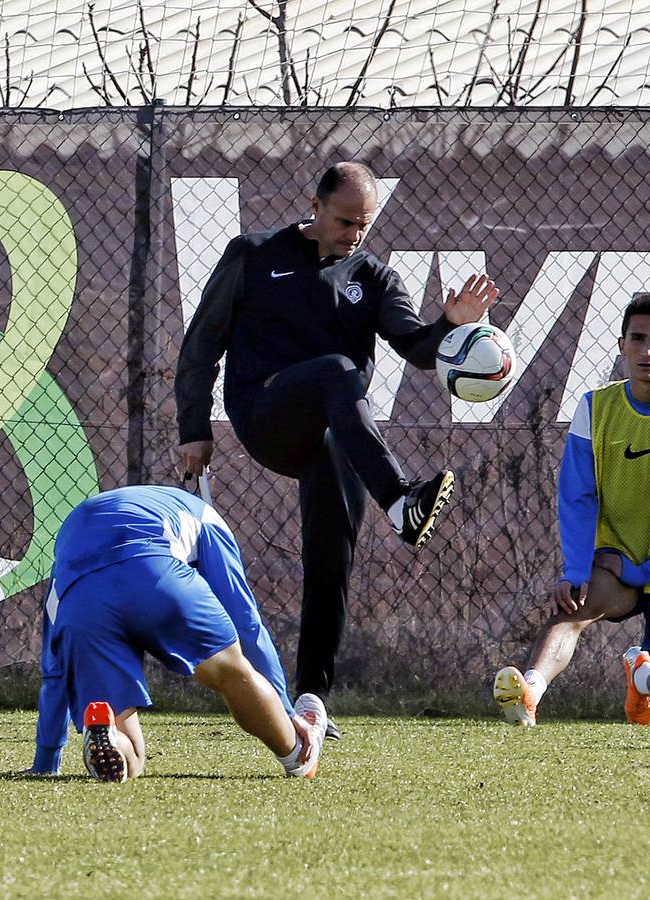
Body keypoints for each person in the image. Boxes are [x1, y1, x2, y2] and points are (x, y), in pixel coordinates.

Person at [174, 161, 498, 724]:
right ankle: (399, 500)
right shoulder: (253, 255)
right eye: (345, 221)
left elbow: (417, 350)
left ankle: (310, 703)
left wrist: (451, 323)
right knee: (336, 370)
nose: (354, 234)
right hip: (265, 414)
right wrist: (194, 431)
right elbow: (201, 344)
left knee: (331, 561)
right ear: (316, 206)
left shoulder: (374, 277)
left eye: (364, 225)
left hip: (334, 437)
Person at [494, 293, 650, 726]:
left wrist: (647, 571)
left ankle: (642, 675)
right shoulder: (595, 407)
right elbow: (577, 496)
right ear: (621, 344)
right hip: (618, 560)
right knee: (573, 608)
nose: (647, 351)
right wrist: (576, 568)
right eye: (637, 339)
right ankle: (530, 691)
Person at [27, 485, 328, 782]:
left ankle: (110, 735)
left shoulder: (66, 561)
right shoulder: (207, 518)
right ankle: (298, 756)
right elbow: (246, 622)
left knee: (132, 757)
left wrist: (46, 760)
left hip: (82, 604)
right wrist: (286, 709)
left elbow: (54, 673)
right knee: (232, 671)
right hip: (155, 575)